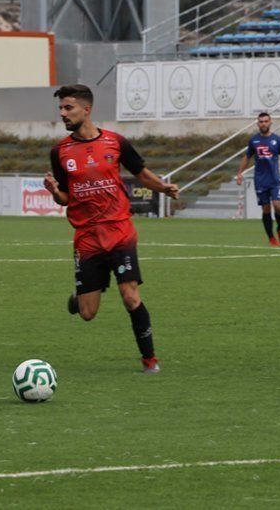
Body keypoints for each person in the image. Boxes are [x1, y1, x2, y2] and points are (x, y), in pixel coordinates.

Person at [43, 85, 179, 373]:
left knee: (130, 297)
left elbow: (141, 173)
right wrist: (56, 193)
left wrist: (163, 188)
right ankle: (80, 297)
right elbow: (66, 198)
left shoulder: (116, 142)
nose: (62, 114)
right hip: (87, 238)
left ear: (86, 109)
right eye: (61, 109)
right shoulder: (60, 152)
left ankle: (150, 361)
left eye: (68, 108)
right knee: (88, 313)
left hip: (119, 231)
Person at [236, 112, 280, 246]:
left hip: (274, 180)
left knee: (278, 206)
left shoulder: (277, 140)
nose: (263, 123)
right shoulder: (254, 141)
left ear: (270, 123)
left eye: (265, 121)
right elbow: (247, 157)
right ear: (258, 124)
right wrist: (240, 173)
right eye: (261, 121)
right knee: (266, 209)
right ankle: (271, 238)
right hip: (260, 181)